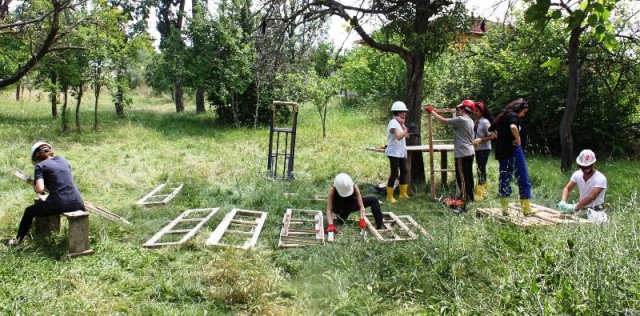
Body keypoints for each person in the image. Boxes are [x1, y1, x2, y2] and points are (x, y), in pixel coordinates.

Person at [6, 142, 85, 246]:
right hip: (78, 201)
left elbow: (39, 189)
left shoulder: (40, 166)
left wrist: (36, 184)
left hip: (60, 203)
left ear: (35, 156)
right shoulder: (63, 160)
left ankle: (17, 240)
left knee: (29, 211)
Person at [426, 100, 476, 209]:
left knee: (461, 177)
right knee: (468, 176)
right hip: (469, 151)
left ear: (463, 109)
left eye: (460, 108)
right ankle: (469, 198)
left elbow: (443, 120)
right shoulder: (470, 121)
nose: (459, 110)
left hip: (463, 153)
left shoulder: (461, 120)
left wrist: (432, 111)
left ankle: (464, 201)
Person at [488, 98, 533, 216]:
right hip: (514, 151)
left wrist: (501, 139)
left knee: (505, 179)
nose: (523, 115)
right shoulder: (513, 116)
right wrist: (517, 139)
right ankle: (526, 209)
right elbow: (513, 127)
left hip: (502, 153)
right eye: (524, 112)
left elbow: (491, 130)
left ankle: (505, 209)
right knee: (523, 178)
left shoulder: (502, 116)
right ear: (519, 109)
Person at [558, 149, 608, 223]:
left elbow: (591, 197)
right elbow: (567, 188)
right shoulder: (577, 174)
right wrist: (563, 201)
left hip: (596, 212)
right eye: (582, 167)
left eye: (587, 167)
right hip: (582, 209)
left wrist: (574, 206)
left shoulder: (600, 178)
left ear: (593, 165)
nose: (584, 170)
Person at [384, 101, 411, 204]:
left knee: (404, 171)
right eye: (403, 112)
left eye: (405, 112)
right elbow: (399, 137)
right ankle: (389, 196)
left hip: (400, 152)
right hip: (393, 152)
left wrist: (404, 126)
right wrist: (407, 129)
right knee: (394, 173)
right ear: (398, 112)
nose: (405, 114)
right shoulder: (393, 123)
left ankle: (402, 193)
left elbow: (406, 135)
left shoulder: (399, 123)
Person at [472, 101, 495, 200]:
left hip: (484, 149)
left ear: (482, 112)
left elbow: (493, 136)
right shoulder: (477, 121)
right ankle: (482, 190)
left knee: (481, 169)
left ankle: (480, 194)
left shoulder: (485, 122)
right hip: (477, 148)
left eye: (477, 111)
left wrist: (481, 140)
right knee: (479, 169)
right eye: (474, 110)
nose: (474, 112)